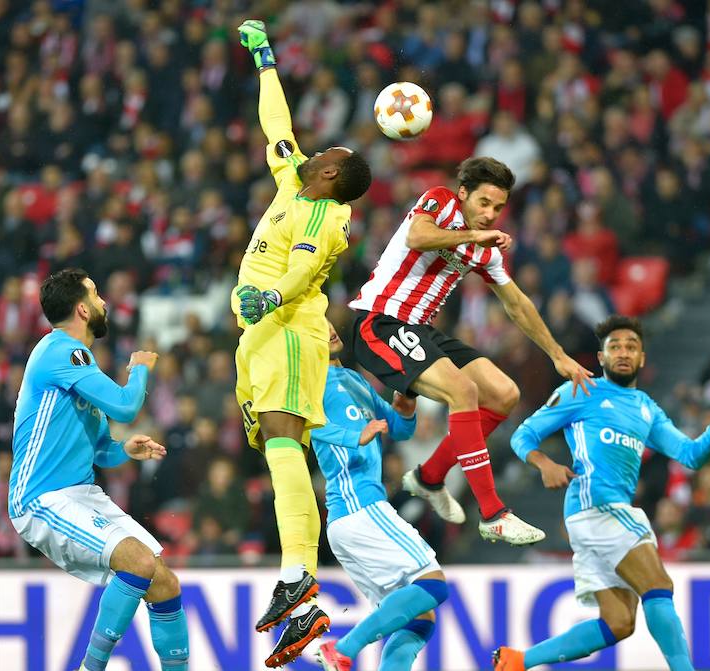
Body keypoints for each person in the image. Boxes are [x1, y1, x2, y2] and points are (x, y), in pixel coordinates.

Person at [348, 156, 592, 544]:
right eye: (483, 203)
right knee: (464, 391)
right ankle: (493, 512)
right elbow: (418, 237)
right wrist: (471, 237)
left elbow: (517, 304)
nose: (490, 214)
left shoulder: (486, 250)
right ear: (464, 194)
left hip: (420, 331)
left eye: (497, 208)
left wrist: (558, 354)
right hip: (380, 321)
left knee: (503, 394)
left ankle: (429, 478)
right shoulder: (441, 201)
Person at [231, 19, 373, 668]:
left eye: (332, 156)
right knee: (278, 449)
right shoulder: (296, 182)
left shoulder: (328, 213)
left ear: (335, 177)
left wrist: (271, 297)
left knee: (288, 442)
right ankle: (301, 595)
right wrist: (265, 60)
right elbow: (276, 124)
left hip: (288, 329)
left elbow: (299, 268)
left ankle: (300, 577)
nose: (321, 152)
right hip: (261, 336)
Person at [492, 315, 710, 671]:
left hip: (600, 517)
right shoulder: (582, 389)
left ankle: (518, 661)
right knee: (657, 584)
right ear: (601, 358)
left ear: (642, 358)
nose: (623, 353)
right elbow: (523, 436)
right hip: (595, 506)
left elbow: (691, 455)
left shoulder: (646, 408)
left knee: (619, 623)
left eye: (631, 347)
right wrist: (544, 464)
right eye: (614, 347)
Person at [7, 268, 188, 671]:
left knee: (164, 583)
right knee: (138, 563)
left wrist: (125, 447)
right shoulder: (60, 351)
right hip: (41, 497)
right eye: (96, 294)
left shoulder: (78, 367)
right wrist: (140, 367)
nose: (104, 301)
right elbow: (125, 406)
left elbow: (101, 450)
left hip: (80, 493)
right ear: (82, 310)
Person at [312, 323, 447, 671]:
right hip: (359, 505)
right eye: (316, 327)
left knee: (420, 617)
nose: (328, 330)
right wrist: (354, 435)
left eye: (327, 323)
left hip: (351, 517)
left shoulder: (355, 382)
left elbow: (399, 430)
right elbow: (301, 424)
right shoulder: (310, 382)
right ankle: (343, 648)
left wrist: (406, 405)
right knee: (434, 585)